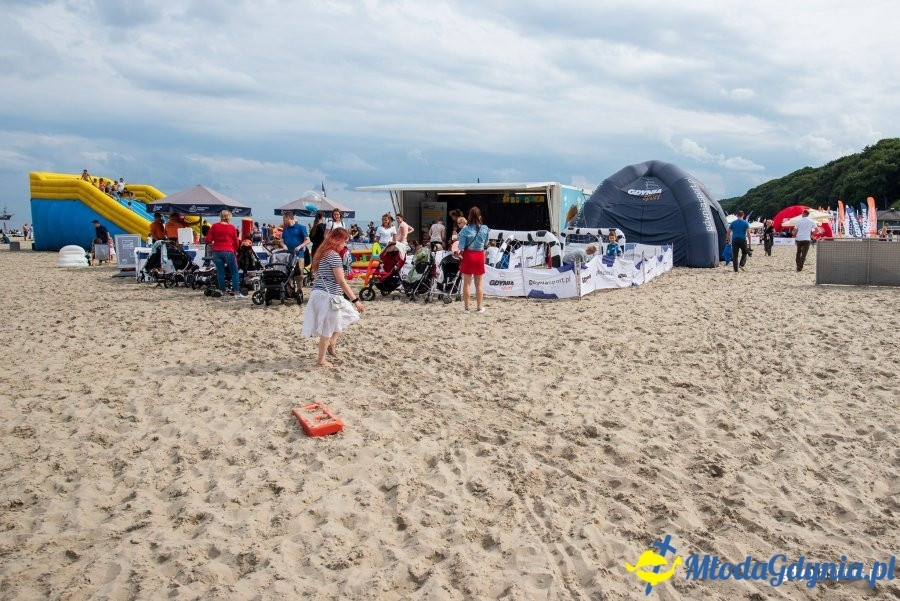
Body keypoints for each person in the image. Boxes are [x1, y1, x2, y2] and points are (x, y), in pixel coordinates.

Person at [301, 228, 364, 367]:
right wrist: (355, 300)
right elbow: (341, 281)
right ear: (338, 240)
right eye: (344, 242)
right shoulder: (334, 256)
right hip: (328, 296)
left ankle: (332, 342)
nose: (345, 245)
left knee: (349, 315)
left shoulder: (322, 253)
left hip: (318, 294)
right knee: (327, 328)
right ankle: (321, 360)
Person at [205, 210, 245, 299]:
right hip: (228, 251)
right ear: (229, 217)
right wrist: (236, 249)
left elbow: (208, 240)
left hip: (216, 251)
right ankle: (236, 293)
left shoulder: (214, 226)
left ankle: (224, 293)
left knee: (220, 272)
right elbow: (236, 242)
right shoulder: (231, 227)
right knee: (234, 272)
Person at [457, 207, 489, 314]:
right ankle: (479, 308)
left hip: (468, 256)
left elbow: (461, 246)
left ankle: (466, 308)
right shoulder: (485, 228)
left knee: (466, 283)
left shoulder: (465, 230)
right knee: (479, 284)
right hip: (479, 256)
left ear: (469, 216)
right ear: (479, 216)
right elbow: (486, 244)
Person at [281, 211, 311, 284]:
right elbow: (281, 241)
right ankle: (289, 289)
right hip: (288, 254)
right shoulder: (285, 229)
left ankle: (299, 289)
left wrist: (300, 246)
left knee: (299, 272)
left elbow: (308, 240)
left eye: (284, 219)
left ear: (288, 218)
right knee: (288, 272)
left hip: (299, 254)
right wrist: (283, 245)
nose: (283, 221)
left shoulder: (301, 227)